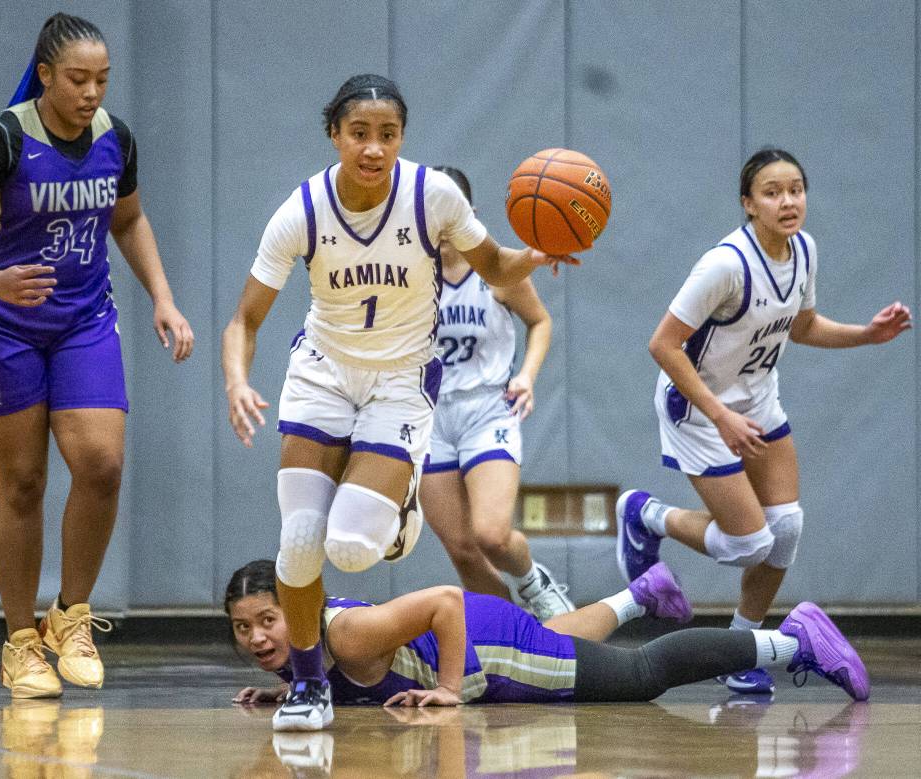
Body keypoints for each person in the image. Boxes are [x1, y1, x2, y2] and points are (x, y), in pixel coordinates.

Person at [221, 74, 576, 731]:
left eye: (388, 134)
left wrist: (530, 257)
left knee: (352, 549)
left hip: (401, 380)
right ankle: (307, 686)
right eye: (360, 133)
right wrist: (238, 380)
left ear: (402, 138)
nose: (374, 147)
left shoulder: (432, 196)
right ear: (335, 135)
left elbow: (494, 268)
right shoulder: (302, 211)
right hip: (322, 375)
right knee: (299, 542)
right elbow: (244, 318)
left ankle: (402, 498)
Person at [0, 13, 193, 699]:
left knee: (101, 464)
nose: (91, 91)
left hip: (83, 321)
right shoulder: (4, 140)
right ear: (45, 75)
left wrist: (163, 296)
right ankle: (19, 643)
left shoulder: (114, 139)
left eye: (102, 79)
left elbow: (127, 220)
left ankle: (70, 616)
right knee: (23, 483)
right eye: (78, 78)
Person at [616, 148, 910, 695]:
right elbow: (663, 344)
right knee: (749, 544)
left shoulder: (803, 252)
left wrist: (866, 335)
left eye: (796, 189)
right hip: (698, 408)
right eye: (772, 192)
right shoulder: (725, 265)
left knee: (787, 529)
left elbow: (802, 327)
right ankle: (646, 514)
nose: (788, 201)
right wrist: (720, 413)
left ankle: (739, 647)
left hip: (757, 402)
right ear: (749, 204)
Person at [226, 558, 869, 713]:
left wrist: (449, 689)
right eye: (242, 628)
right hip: (488, 633)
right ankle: (638, 594)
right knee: (552, 640)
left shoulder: (348, 634)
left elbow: (445, 602)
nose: (256, 638)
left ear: (300, 607)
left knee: (638, 678)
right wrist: (295, 689)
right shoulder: (302, 655)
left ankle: (792, 641)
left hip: (477, 645)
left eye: (268, 619)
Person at [420, 166, 569, 620]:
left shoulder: (498, 271)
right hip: (427, 416)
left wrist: (526, 374)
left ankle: (532, 581)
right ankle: (514, 633)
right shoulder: (407, 276)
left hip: (486, 408)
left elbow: (540, 321)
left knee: (491, 535)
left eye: (452, 212)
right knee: (463, 550)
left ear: (470, 215)